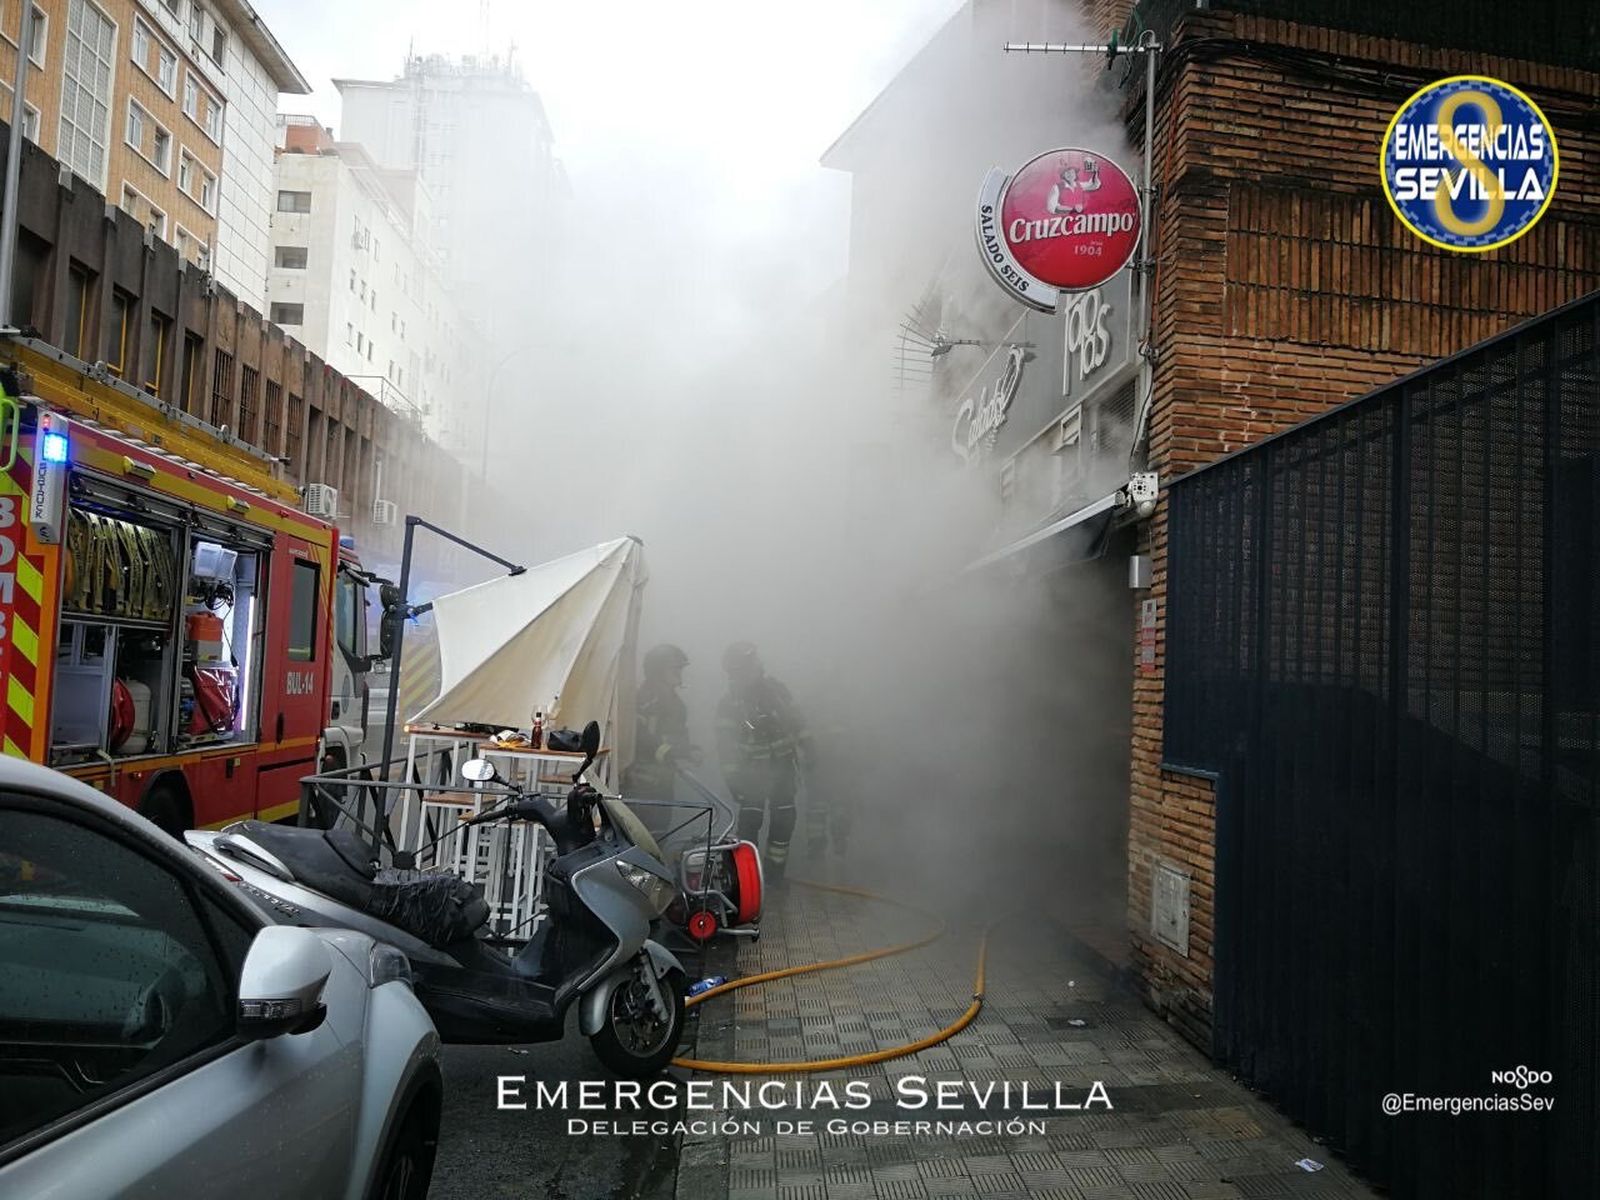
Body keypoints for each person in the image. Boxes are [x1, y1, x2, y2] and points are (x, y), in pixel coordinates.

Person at [715, 642, 812, 880]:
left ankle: (774, 874)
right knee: (750, 824)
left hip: (783, 769)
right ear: (737, 670)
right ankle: (746, 878)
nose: (757, 666)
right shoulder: (730, 704)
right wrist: (733, 779)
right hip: (752, 774)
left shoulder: (776, 691)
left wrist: (809, 745)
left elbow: (796, 720)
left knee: (784, 821)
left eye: (755, 661)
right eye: (750, 663)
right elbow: (725, 747)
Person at [627, 644, 700, 825]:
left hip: (664, 783)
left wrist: (689, 751)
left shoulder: (678, 705)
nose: (679, 673)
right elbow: (637, 735)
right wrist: (666, 751)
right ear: (657, 670)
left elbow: (678, 738)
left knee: (660, 833)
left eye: (680, 669)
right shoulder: (643, 699)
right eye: (675, 668)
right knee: (640, 834)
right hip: (639, 784)